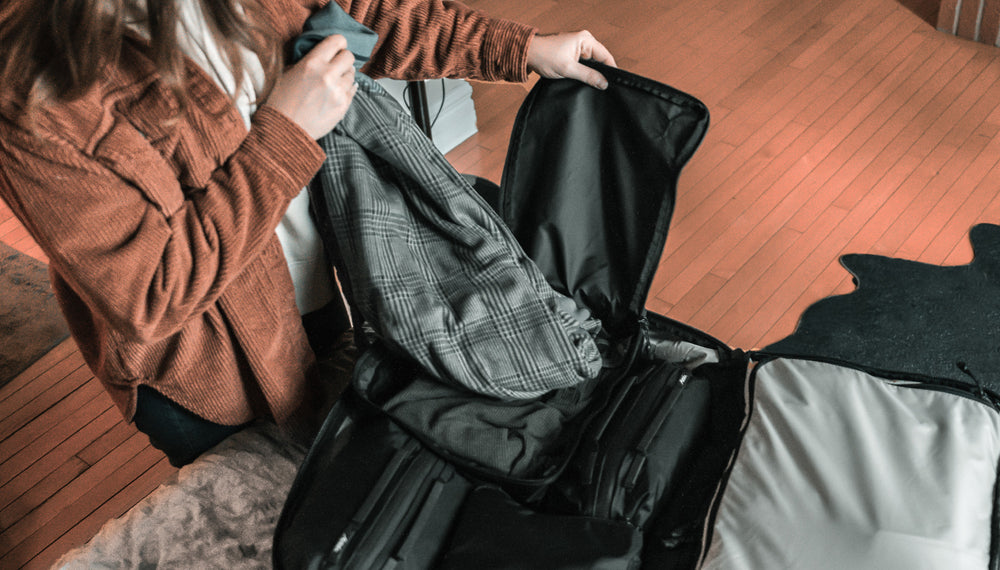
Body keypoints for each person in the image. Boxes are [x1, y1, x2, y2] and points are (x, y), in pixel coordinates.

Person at [0, 0, 617, 467]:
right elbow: (148, 295)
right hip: (209, 377)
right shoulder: (29, 95)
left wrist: (523, 48)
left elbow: (362, 12)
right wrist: (286, 131)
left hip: (323, 290)